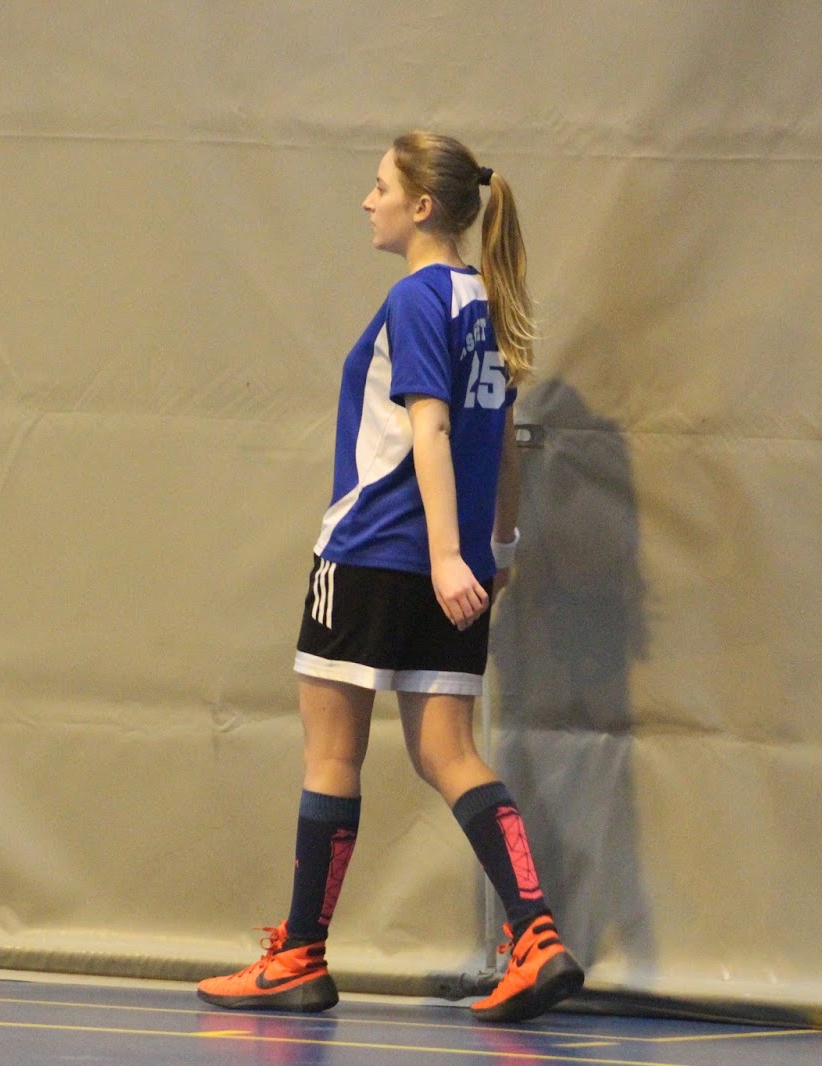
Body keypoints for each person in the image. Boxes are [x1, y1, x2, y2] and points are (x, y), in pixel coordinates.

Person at [196, 131, 582, 1024]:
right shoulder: (486, 301)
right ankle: (536, 936)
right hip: (455, 562)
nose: (367, 202)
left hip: (374, 552)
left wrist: (445, 555)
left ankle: (299, 956)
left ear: (422, 206)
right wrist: (497, 549)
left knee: (332, 754)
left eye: (379, 187)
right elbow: (505, 438)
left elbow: (432, 428)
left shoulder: (417, 297)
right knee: (450, 753)